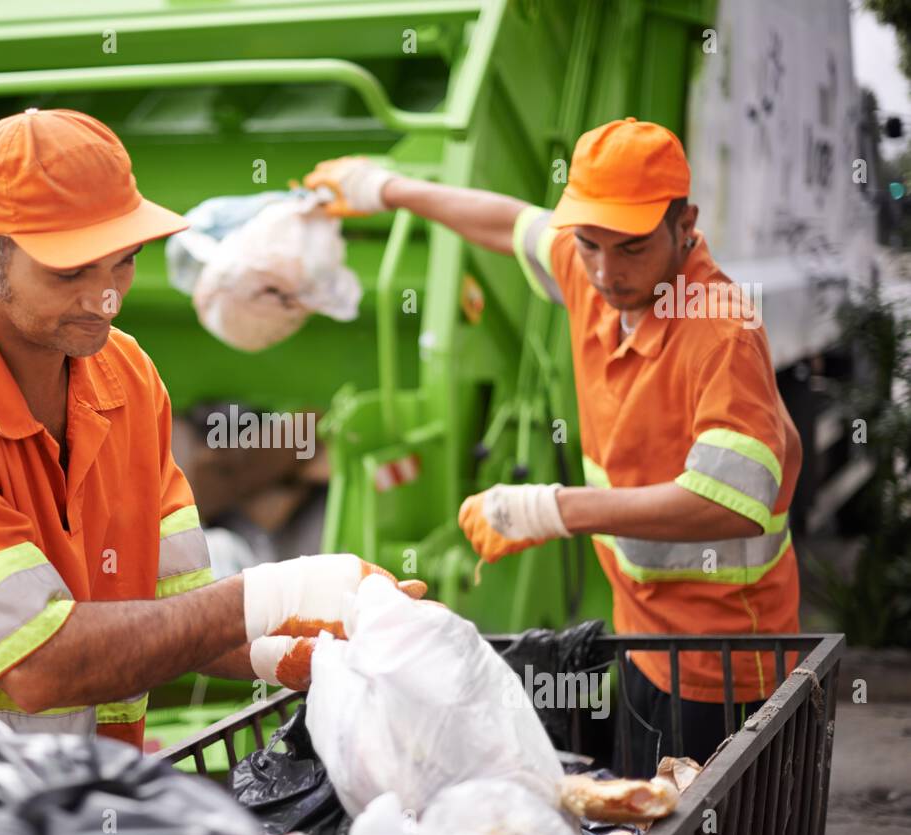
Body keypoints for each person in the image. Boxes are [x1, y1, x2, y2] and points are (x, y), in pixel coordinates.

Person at [0, 108, 418, 750]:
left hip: (77, 801)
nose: (105, 298)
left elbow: (178, 605)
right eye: (70, 272)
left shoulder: (124, 375)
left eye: (123, 262)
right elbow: (38, 666)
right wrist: (281, 589)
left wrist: (311, 645)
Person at [306, 118, 802, 775]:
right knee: (642, 816)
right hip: (645, 633)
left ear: (686, 225)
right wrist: (386, 188)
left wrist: (556, 509)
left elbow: (734, 504)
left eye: (629, 248)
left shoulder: (720, 330)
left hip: (722, 656)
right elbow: (507, 222)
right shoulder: (592, 273)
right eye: (590, 244)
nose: (605, 271)